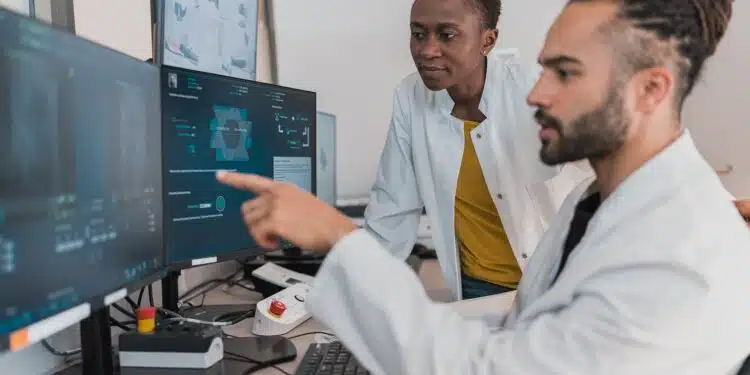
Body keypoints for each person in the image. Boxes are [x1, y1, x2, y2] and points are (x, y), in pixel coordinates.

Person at [218, 0, 750, 373]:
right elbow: (528, 312)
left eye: (565, 73)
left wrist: (338, 238)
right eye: (544, 69)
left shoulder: (673, 257)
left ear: (650, 89)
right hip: (480, 291)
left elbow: (489, 367)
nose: (536, 93)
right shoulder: (596, 203)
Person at [364, 0, 591, 300]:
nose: (427, 50)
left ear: (488, 41)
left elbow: (608, 173)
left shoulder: (535, 87)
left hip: (557, 285)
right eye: (419, 34)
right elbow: (390, 213)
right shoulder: (411, 99)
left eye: (447, 35)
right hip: (478, 291)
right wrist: (354, 292)